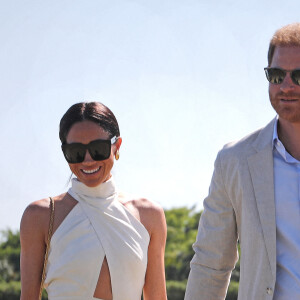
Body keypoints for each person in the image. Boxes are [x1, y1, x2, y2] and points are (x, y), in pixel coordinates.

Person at [184, 23, 300, 300]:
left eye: (298, 76)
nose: (286, 86)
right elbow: (211, 265)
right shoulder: (235, 161)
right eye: (276, 75)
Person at [20, 102, 168, 300]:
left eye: (98, 149)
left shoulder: (150, 215)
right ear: (64, 152)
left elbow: (157, 297)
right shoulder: (39, 216)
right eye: (76, 152)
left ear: (117, 145)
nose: (88, 160)